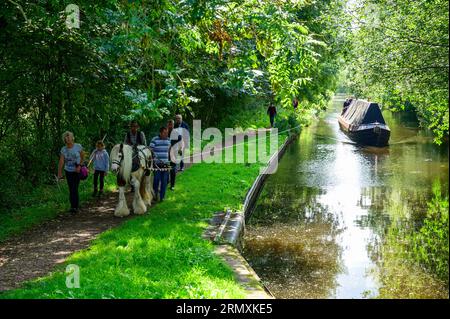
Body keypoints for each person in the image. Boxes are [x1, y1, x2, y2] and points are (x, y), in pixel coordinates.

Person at [58, 131, 84, 214]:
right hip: (68, 170)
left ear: (72, 137)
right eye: (66, 137)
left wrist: (79, 166)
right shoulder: (63, 149)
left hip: (77, 171)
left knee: (75, 188)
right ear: (64, 139)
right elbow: (61, 161)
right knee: (71, 188)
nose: (67, 138)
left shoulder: (78, 146)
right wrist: (59, 173)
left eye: (69, 136)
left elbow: (82, 157)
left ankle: (75, 206)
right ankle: (73, 207)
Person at [150, 126, 171, 202]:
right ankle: (155, 196)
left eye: (167, 133)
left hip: (165, 164)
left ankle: (162, 197)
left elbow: (169, 151)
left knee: (164, 181)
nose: (166, 135)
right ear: (160, 133)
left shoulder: (169, 140)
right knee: (156, 180)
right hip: (156, 164)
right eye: (165, 133)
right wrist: (153, 157)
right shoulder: (154, 139)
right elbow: (150, 150)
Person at [167, 119, 182, 191]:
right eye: (169, 124)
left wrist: (180, 149)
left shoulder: (176, 133)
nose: (170, 126)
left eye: (171, 124)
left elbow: (180, 142)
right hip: (165, 153)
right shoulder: (165, 132)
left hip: (174, 153)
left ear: (173, 125)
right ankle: (166, 182)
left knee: (172, 169)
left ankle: (172, 185)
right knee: (166, 168)